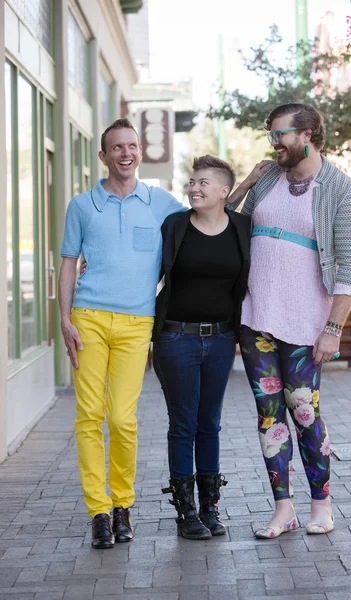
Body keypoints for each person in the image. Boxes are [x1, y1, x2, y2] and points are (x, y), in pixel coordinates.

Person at [228, 103, 351, 538]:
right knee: (269, 416)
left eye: (279, 135)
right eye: (270, 135)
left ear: (306, 134)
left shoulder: (341, 189)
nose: (274, 144)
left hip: (308, 322)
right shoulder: (268, 178)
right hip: (256, 318)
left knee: (304, 412)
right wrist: (247, 182)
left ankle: (321, 505)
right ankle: (283, 508)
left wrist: (332, 329)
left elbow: (348, 270)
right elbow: (224, 225)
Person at [58, 118, 185, 549]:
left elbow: (208, 214)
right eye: (117, 147)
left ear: (139, 152)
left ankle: (122, 505)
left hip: (136, 324)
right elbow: (68, 263)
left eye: (132, 145)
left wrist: (241, 185)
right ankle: (98, 511)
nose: (126, 153)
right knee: (89, 416)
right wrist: (64, 318)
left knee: (121, 419)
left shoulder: (159, 202)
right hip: (88, 317)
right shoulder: (82, 205)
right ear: (104, 155)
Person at [152, 155, 251, 540]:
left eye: (203, 182)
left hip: (223, 338)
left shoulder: (242, 227)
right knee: (184, 424)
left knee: (210, 423)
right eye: (192, 181)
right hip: (176, 338)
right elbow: (148, 271)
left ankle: (210, 507)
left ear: (224, 192)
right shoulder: (174, 226)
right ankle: (185, 511)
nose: (194, 187)